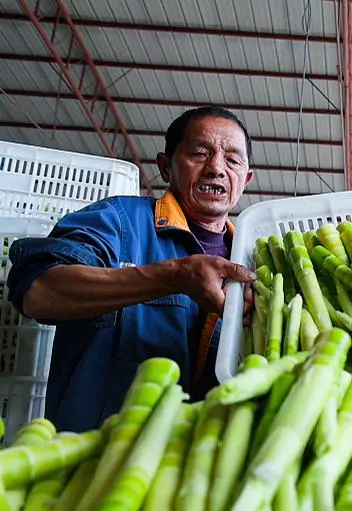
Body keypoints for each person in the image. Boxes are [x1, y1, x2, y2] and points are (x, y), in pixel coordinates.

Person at [8, 106, 257, 432]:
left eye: (233, 160)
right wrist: (173, 276)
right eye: (199, 153)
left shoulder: (253, 265)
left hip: (201, 465)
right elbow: (39, 292)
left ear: (246, 178)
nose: (216, 168)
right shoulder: (119, 221)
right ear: (166, 167)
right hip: (92, 458)